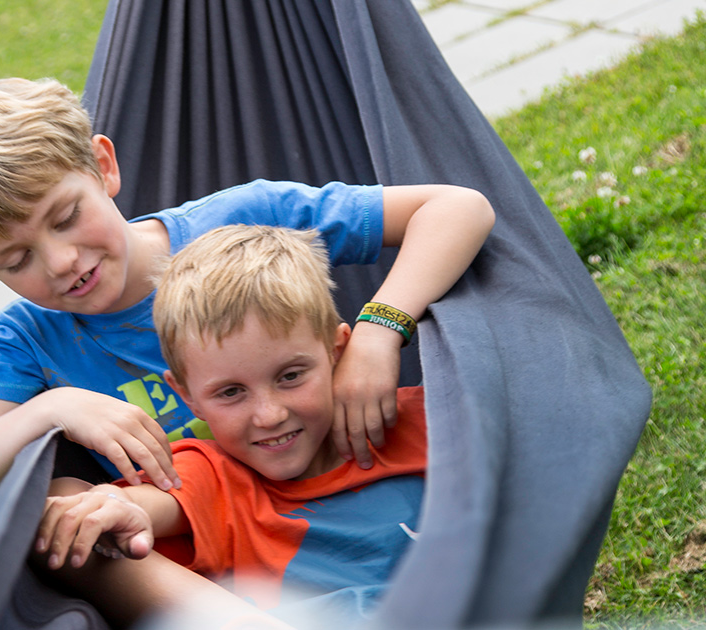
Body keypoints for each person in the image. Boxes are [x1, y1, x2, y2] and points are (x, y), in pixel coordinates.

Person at [0, 77, 493, 529]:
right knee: (66, 508)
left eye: (66, 217)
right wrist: (50, 408)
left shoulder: (243, 221)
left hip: (354, 486)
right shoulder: (31, 341)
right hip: (213, 548)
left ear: (103, 166)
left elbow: (457, 209)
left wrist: (377, 331)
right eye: (15, 260)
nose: (61, 262)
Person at [36, 225, 428, 626]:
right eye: (231, 393)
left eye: (290, 376)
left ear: (337, 351)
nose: (269, 415)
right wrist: (120, 506)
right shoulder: (215, 477)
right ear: (187, 396)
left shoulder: (420, 420)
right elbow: (152, 502)